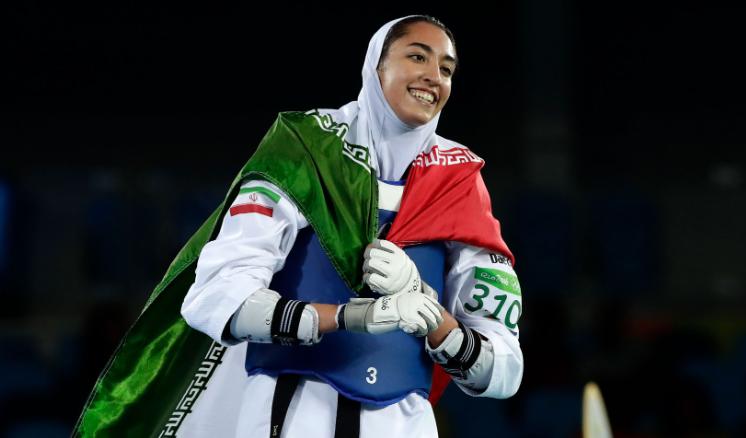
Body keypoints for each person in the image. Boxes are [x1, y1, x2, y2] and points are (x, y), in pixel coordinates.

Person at [74, 14, 523, 438]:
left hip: (403, 423)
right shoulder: (305, 149)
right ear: (376, 65)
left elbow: (504, 370)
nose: (433, 76)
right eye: (417, 56)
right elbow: (215, 295)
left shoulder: (462, 183)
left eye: (446, 68)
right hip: (288, 410)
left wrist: (430, 311)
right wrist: (349, 317)